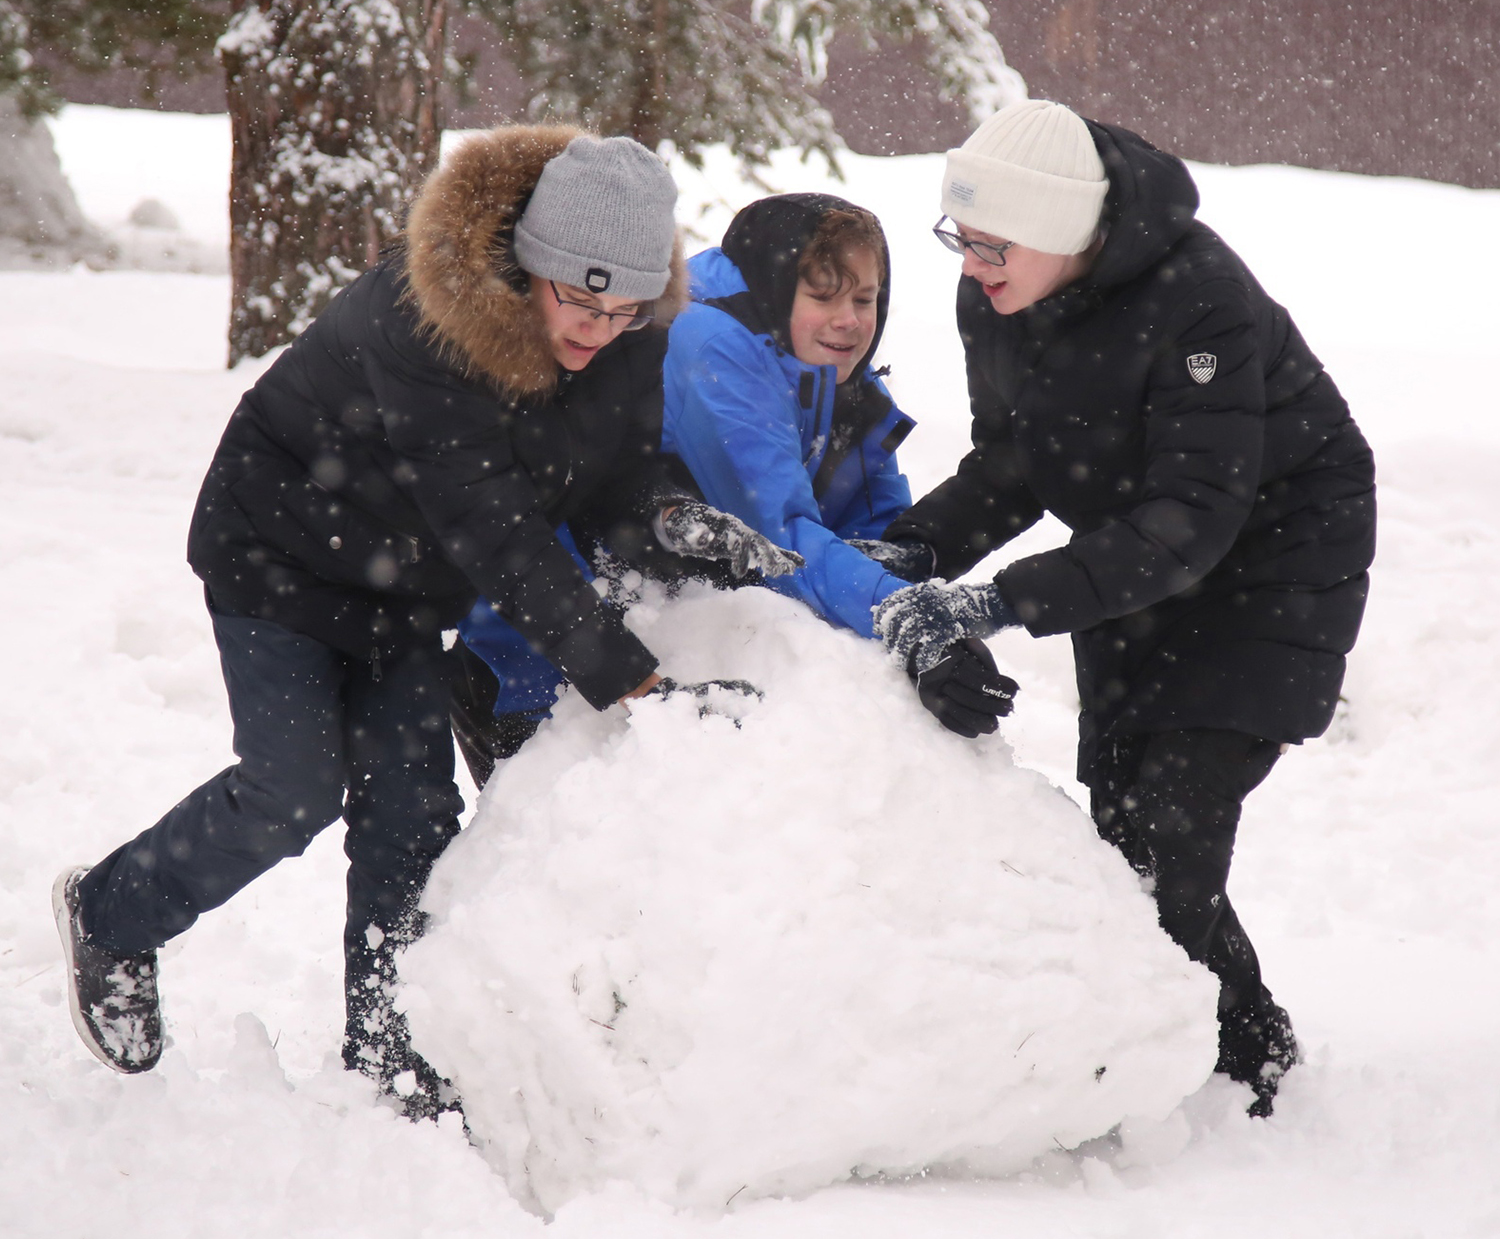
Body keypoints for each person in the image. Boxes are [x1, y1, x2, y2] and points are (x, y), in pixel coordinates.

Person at [52, 126, 793, 1116]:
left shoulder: (623, 341)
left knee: (411, 807)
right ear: (533, 263)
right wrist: (632, 678)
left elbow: (611, 476)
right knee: (293, 789)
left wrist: (672, 519)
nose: (595, 329)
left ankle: (388, 1041)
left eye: (622, 309)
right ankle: (112, 913)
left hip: (398, 579)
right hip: (278, 549)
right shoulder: (428, 322)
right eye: (578, 298)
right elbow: (494, 527)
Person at [874, 100, 1376, 1117]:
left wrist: (993, 602)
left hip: (1274, 560)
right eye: (958, 238)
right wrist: (901, 556)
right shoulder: (1000, 294)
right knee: (1121, 829)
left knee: (1173, 826)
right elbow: (1020, 461)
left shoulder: (1199, 297)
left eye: (991, 243)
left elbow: (1195, 516)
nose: (969, 264)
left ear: (1061, 233)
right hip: (1130, 563)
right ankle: (1198, 1048)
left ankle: (1250, 1078)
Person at [455, 192, 1016, 753]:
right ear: (775, 289)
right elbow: (778, 537)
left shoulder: (833, 369)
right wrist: (901, 619)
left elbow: (873, 522)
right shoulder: (711, 347)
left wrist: (907, 590)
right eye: (822, 296)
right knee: (542, 832)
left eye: (865, 299)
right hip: (544, 658)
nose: (848, 322)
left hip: (652, 645)